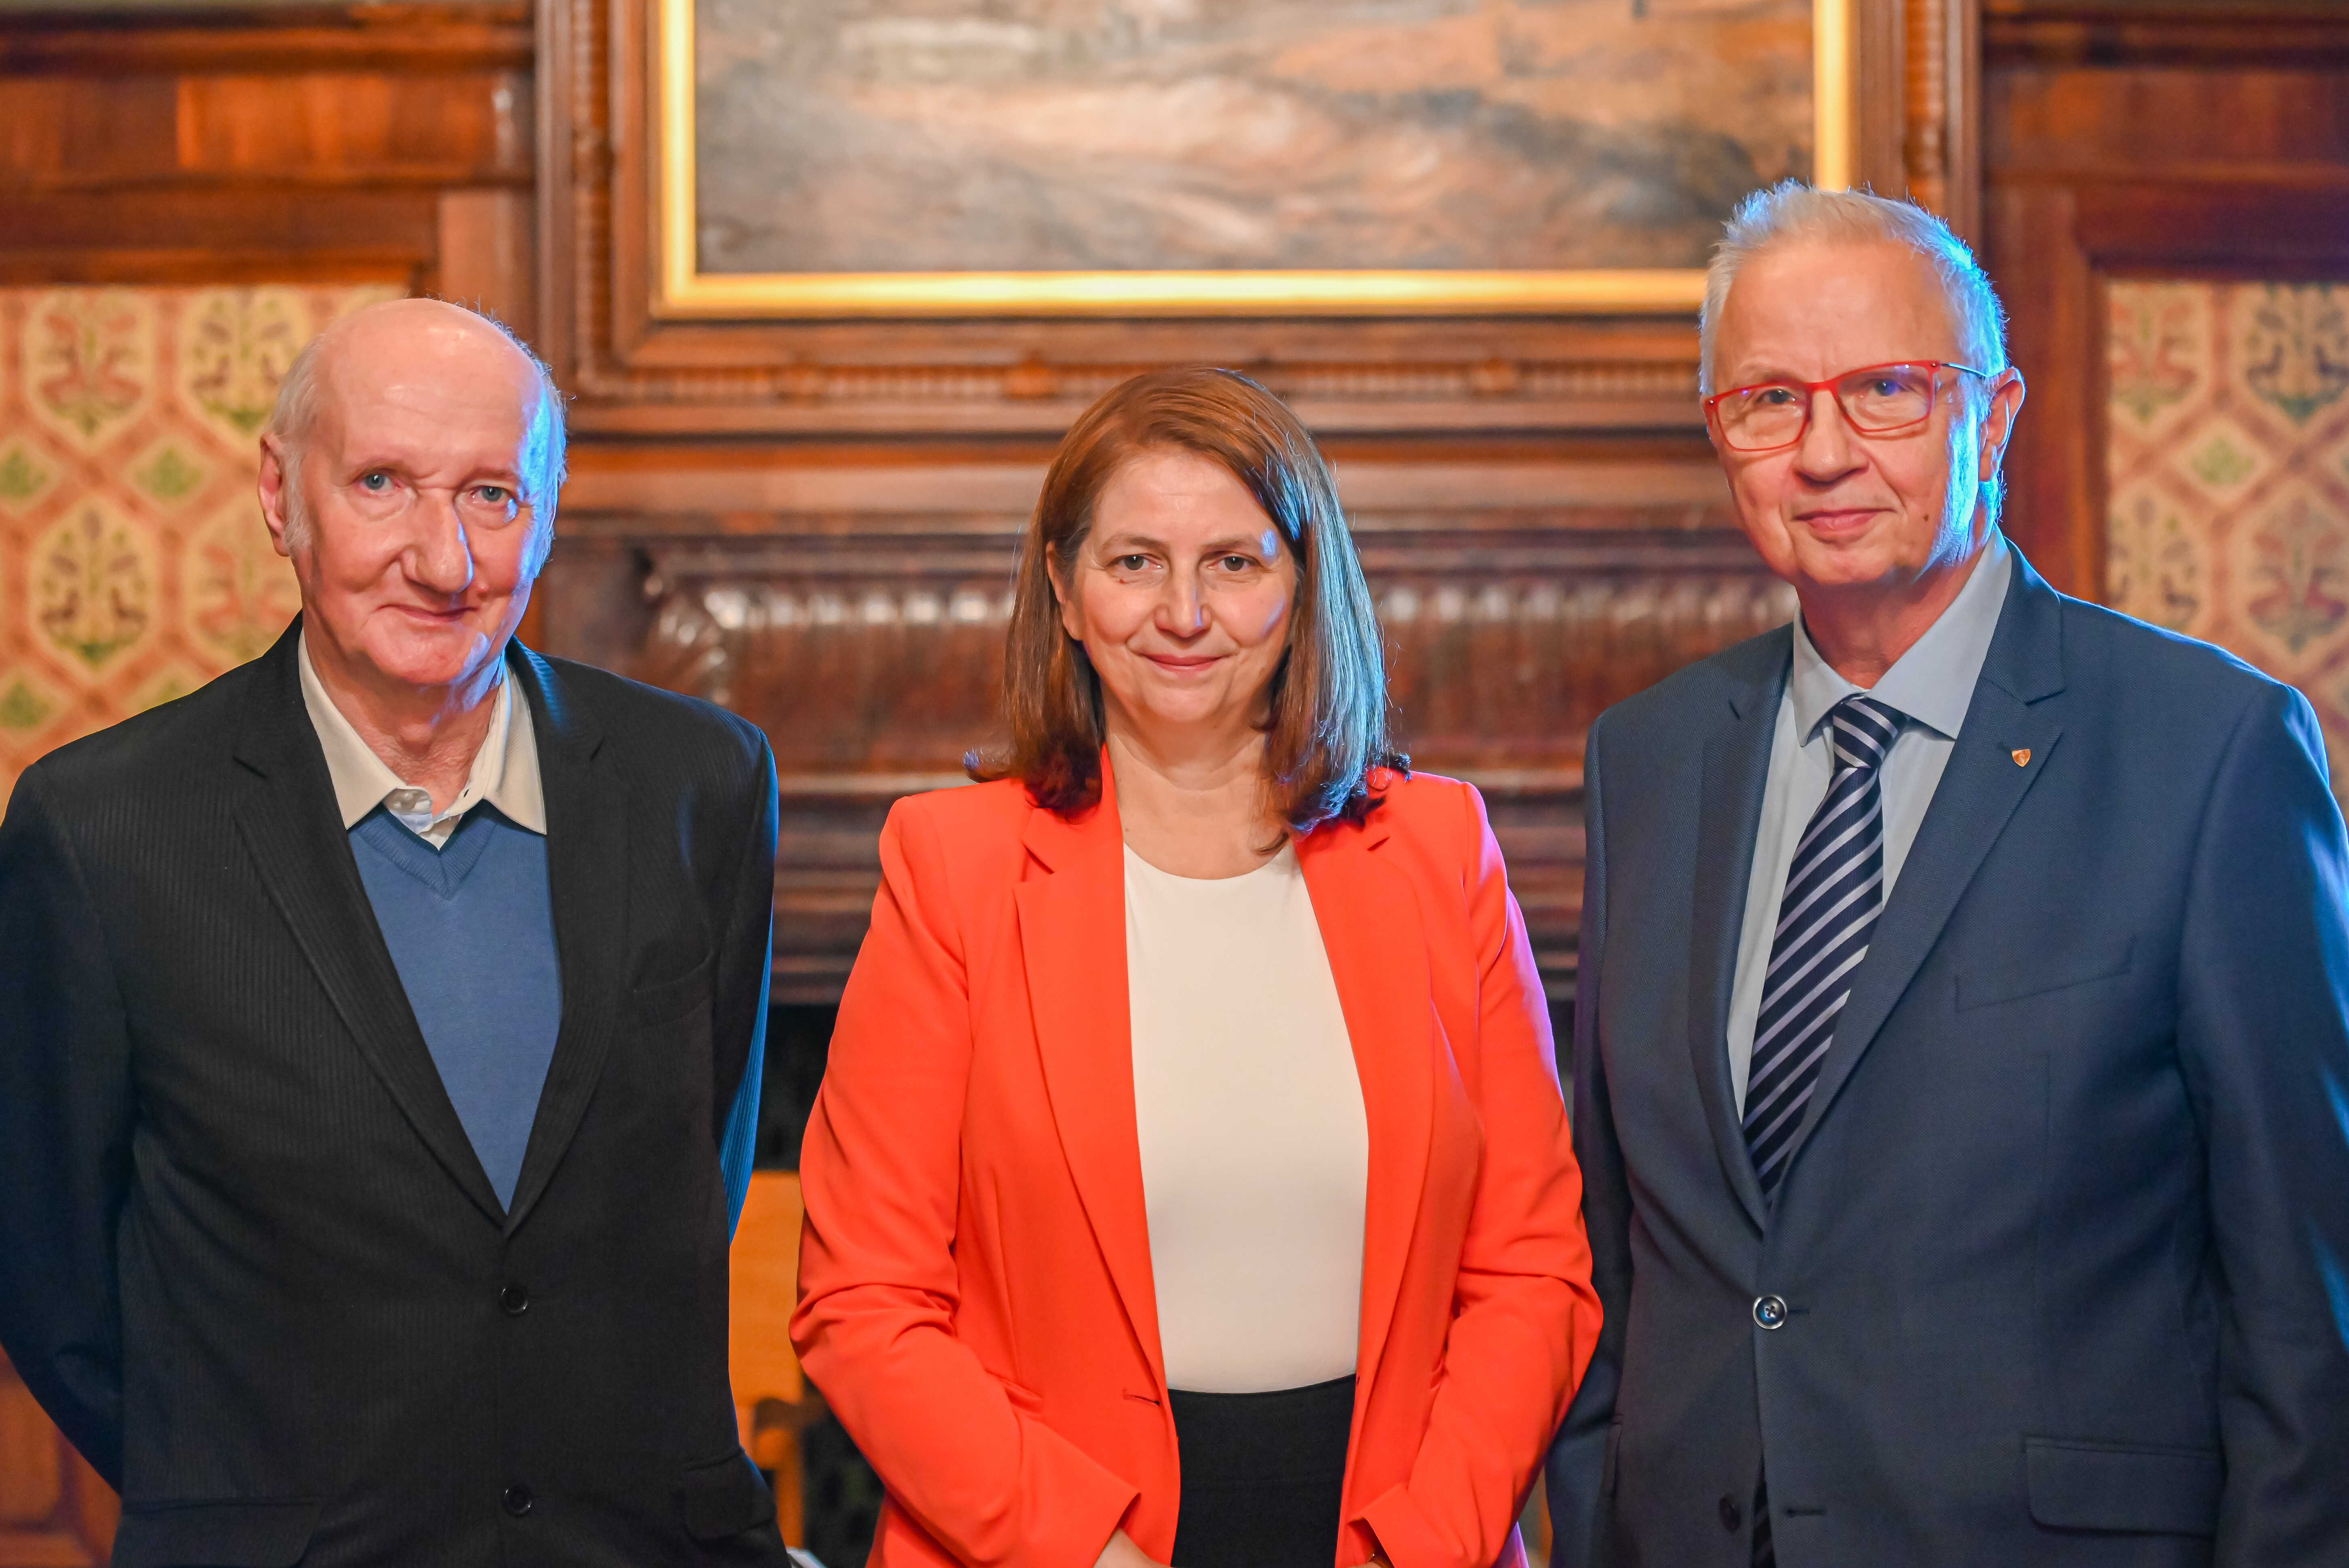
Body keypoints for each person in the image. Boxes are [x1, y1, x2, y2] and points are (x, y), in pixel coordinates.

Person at [1546, 182, 2349, 1567]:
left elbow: (2306, 1307)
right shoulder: (1650, 758)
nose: (1826, 453)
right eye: (1771, 401)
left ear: (1995, 413)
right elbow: (1616, 1244)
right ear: (1722, 436)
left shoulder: (2208, 750)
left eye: (1888, 390)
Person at [0, 297, 790, 1566]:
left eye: (492, 495)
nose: (443, 558)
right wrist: (238, 1490)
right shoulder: (105, 827)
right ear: (281, 495)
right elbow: (50, 1277)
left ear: (549, 509)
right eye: (381, 484)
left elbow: (705, 1172)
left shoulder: (702, 781)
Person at [793, 367, 1600, 1568]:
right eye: (1135, 563)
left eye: (1234, 561)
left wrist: (1420, 1548)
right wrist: (1086, 1554)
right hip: (1048, 1544)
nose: (1183, 612)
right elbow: (865, 1299)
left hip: (1398, 1535)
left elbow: (1531, 1272)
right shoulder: (953, 867)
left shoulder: (1439, 848)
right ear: (1065, 591)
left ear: (1303, 584)